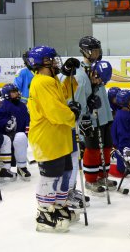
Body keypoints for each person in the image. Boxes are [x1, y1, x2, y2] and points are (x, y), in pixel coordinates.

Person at [26, 45, 81, 232]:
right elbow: (55, 111)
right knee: (50, 176)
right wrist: (72, 115)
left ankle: (58, 206)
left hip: (59, 136)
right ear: (43, 63)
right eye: (52, 59)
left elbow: (63, 95)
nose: (56, 62)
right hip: (47, 137)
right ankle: (44, 214)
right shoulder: (41, 82)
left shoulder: (51, 79)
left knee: (65, 172)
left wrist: (69, 75)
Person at [75, 36, 116, 194]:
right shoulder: (80, 72)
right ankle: (91, 179)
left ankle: (102, 175)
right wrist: (84, 117)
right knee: (92, 148)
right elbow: (79, 97)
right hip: (90, 117)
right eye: (94, 50)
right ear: (85, 51)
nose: (97, 53)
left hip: (104, 115)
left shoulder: (98, 66)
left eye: (99, 50)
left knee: (106, 145)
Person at [0, 83, 31, 181]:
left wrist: (27, 132)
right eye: (13, 92)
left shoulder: (22, 105)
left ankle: (21, 168)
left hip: (19, 136)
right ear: (6, 94)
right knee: (19, 137)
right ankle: (5, 169)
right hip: (6, 137)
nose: (16, 93)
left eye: (16, 91)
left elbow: (27, 120)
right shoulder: (3, 106)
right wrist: (6, 124)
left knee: (22, 136)